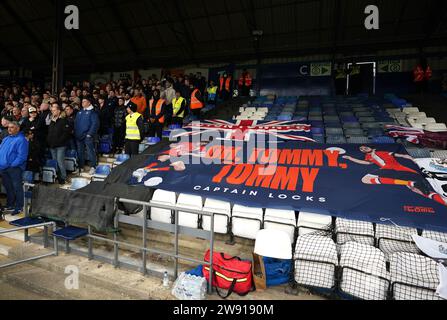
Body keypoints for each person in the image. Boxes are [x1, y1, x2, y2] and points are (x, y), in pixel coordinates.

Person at [0, 121, 29, 215]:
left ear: (18, 128)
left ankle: (19, 206)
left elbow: (22, 156)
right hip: (3, 167)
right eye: (8, 127)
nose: (9, 129)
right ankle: (10, 204)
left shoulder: (22, 140)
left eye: (12, 127)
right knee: (8, 188)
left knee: (17, 187)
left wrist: (12, 165)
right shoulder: (6, 139)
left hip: (14, 168)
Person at [47, 103, 72, 184]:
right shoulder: (52, 121)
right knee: (55, 162)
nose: (52, 112)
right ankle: (57, 176)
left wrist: (58, 142)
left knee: (60, 161)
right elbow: (49, 133)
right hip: (52, 145)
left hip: (61, 145)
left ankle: (63, 177)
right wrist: (49, 142)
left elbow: (66, 134)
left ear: (58, 111)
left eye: (54, 110)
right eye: (52, 111)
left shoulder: (64, 120)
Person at [74, 97, 99, 174]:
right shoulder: (80, 112)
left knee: (90, 151)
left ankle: (93, 166)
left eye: (84, 101)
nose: (83, 103)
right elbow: (76, 123)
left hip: (88, 136)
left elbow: (95, 124)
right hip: (79, 135)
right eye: (82, 101)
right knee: (80, 152)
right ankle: (81, 167)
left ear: (89, 103)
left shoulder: (93, 112)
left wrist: (89, 134)